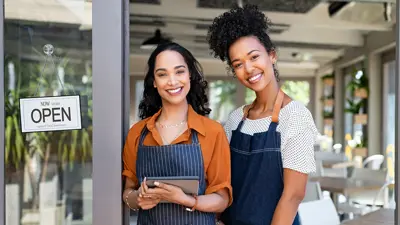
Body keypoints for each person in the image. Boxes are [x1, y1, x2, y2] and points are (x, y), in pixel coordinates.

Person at [207, 4, 318, 225]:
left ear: (272, 56)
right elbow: (226, 185)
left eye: (254, 57)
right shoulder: (236, 119)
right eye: (238, 64)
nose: (248, 69)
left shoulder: (294, 116)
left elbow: (293, 195)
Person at [122, 41, 232, 225]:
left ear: (190, 76)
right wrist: (138, 198)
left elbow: (222, 200)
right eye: (162, 74)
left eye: (179, 71)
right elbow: (128, 193)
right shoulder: (138, 133)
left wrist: (184, 199)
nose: (172, 81)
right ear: (155, 83)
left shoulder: (212, 132)